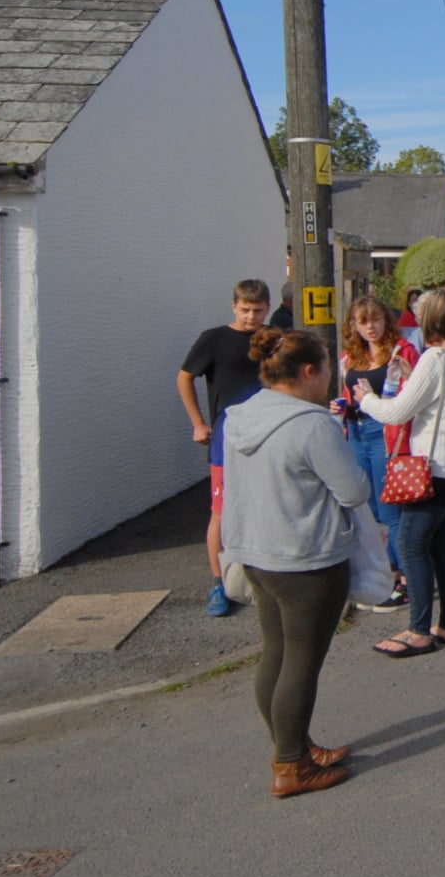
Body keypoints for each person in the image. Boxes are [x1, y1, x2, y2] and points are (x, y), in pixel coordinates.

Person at [218, 326, 368, 797]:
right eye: (326, 366)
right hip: (306, 556)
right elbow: (354, 490)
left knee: (276, 653)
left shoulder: (239, 416)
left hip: (255, 551)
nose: (329, 376)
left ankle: (293, 746)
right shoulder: (312, 423)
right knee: (302, 662)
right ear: (309, 371)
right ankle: (291, 765)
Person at [354, 288, 445, 658]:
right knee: (443, 546)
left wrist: (366, 399)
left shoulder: (435, 358)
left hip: (435, 467)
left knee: (411, 546)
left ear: (430, 321)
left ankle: (419, 630)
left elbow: (397, 413)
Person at [177, 279, 271, 617]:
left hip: (267, 435)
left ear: (267, 309)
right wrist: (198, 423)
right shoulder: (214, 339)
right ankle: (219, 584)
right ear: (234, 306)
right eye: (245, 309)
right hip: (226, 438)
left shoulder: (273, 339)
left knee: (266, 506)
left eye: (257, 310)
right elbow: (184, 377)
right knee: (221, 511)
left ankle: (264, 579)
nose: (250, 316)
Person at [332, 296, 418, 614]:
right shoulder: (348, 358)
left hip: (387, 434)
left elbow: (416, 391)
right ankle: (385, 576)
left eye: (375, 319)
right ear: (353, 325)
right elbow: (347, 394)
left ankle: (402, 580)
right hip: (355, 432)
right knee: (369, 509)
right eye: (363, 321)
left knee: (391, 511)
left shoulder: (402, 352)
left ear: (386, 321)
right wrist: (340, 406)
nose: (370, 326)